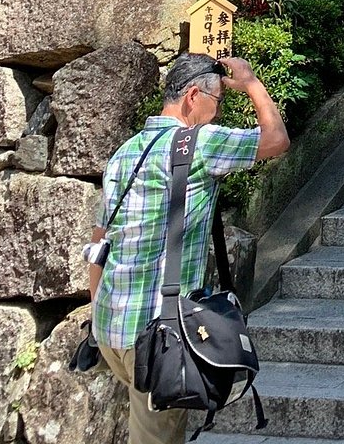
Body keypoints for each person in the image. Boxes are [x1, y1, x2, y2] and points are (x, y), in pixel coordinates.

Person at [89, 53, 290, 444]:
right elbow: (276, 139)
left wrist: (97, 317)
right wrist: (250, 83)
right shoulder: (199, 143)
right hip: (157, 333)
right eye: (216, 104)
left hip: (112, 324)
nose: (216, 115)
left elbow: (98, 245)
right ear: (193, 96)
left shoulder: (125, 153)